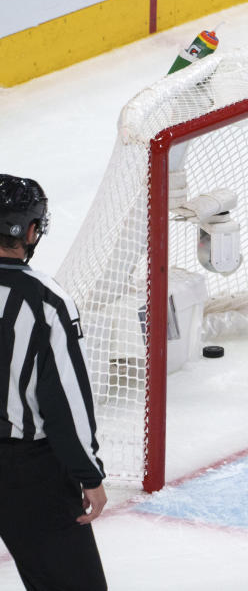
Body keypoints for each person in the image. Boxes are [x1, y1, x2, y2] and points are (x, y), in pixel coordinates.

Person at [0, 174, 108, 590]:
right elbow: (65, 402)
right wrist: (90, 474)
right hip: (27, 475)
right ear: (30, 231)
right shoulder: (44, 301)